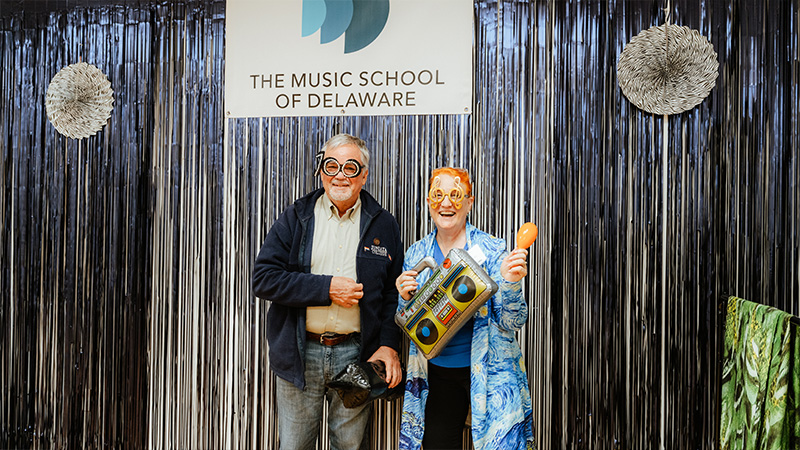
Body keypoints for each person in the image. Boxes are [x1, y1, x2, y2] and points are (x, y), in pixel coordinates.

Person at [252, 133, 404, 450]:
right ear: (321, 171)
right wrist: (326, 288)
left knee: (350, 447)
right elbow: (263, 278)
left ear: (364, 175)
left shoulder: (383, 224)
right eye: (331, 165)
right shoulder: (296, 217)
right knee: (295, 446)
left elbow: (394, 294)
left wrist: (389, 345)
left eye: (350, 167)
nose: (339, 175)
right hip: (300, 354)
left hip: (356, 354)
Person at [396, 167, 535, 450]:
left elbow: (513, 321)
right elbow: (413, 328)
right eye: (438, 195)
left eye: (456, 195)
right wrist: (404, 298)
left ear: (470, 202)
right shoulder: (415, 255)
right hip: (437, 374)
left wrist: (509, 284)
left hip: (492, 372)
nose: (446, 203)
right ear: (428, 201)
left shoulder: (494, 249)